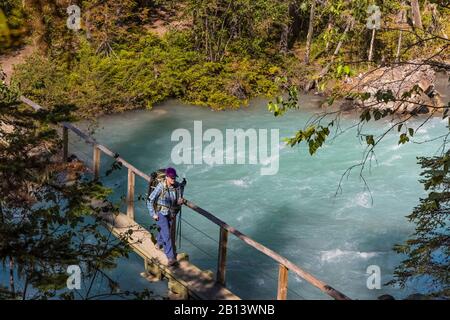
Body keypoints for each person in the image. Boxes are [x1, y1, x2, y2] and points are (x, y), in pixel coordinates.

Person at [146, 167, 185, 267]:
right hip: (161, 213)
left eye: (174, 178)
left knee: (164, 231)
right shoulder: (161, 186)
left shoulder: (176, 186)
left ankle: (158, 243)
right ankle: (171, 258)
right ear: (167, 177)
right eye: (171, 178)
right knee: (167, 235)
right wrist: (153, 213)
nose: (173, 179)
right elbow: (150, 200)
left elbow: (180, 192)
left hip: (171, 213)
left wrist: (180, 200)